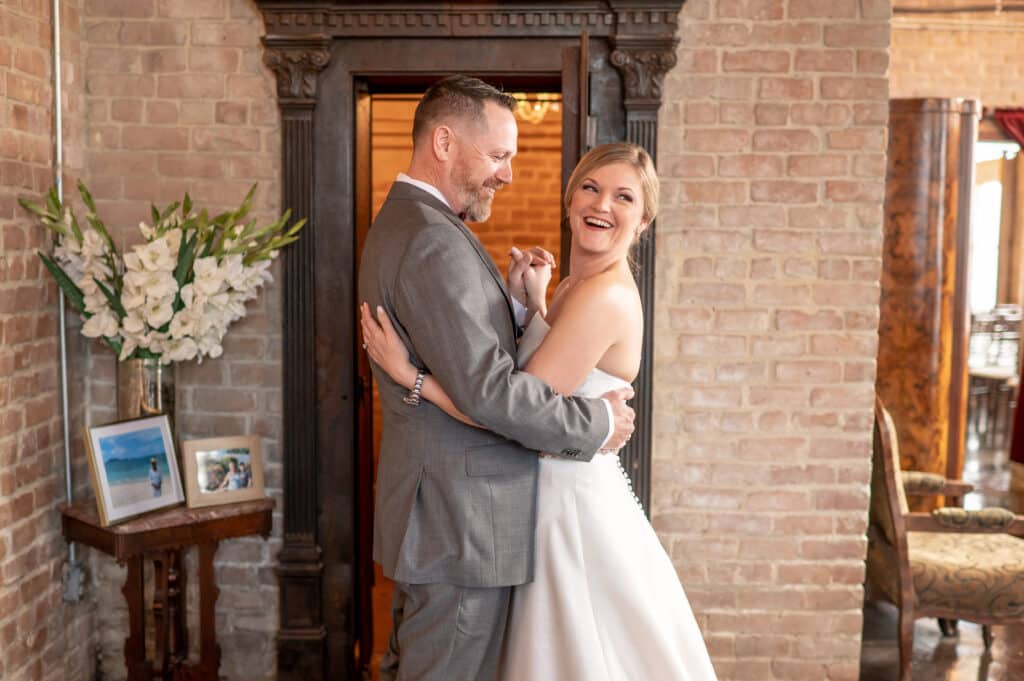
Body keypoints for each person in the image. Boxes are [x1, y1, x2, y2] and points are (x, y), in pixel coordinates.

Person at [362, 142, 718, 680]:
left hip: (568, 509)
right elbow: (556, 375)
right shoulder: (579, 284)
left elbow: (508, 407)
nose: (603, 204)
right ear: (571, 197)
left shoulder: (607, 297)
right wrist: (534, 303)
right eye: (592, 188)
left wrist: (410, 375)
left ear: (643, 222)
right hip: (536, 495)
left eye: (625, 198)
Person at [357, 75, 636, 681]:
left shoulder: (413, 224)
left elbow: (461, 354)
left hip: (445, 517)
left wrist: (512, 308)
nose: (507, 174)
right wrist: (598, 421)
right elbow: (488, 391)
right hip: (461, 522)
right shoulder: (432, 238)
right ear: (445, 142)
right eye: (499, 155)